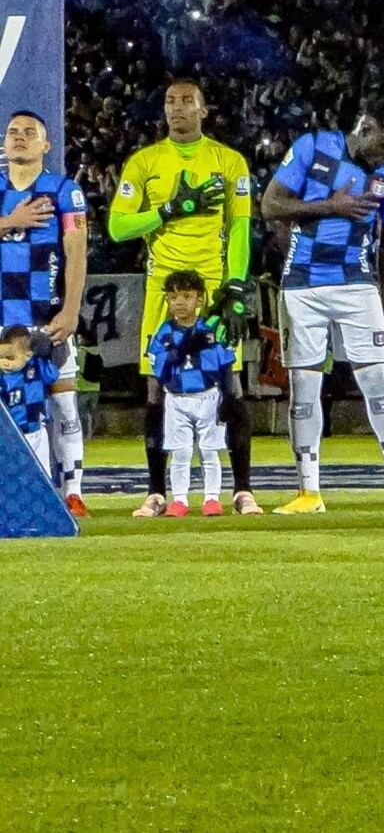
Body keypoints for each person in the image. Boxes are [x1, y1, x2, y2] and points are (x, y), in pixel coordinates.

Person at [108, 79, 262, 517]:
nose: (177, 109)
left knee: (229, 386)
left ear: (204, 109)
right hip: (164, 293)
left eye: (187, 102)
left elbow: (238, 228)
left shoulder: (229, 162)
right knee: (158, 390)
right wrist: (170, 210)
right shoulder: (145, 162)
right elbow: (118, 228)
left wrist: (236, 285)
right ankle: (157, 492)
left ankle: (241, 491)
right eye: (170, 102)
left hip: (212, 292)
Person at [260, 111, 384, 513]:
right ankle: (309, 492)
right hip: (303, 285)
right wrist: (330, 206)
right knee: (304, 389)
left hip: (357, 284)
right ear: (365, 127)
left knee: (376, 381)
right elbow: (270, 205)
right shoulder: (313, 147)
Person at [0, 111, 90, 516]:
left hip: (47, 318)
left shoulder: (64, 192)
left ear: (46, 145)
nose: (19, 138)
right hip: (2, 320)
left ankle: (73, 492)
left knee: (63, 404)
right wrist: (10, 221)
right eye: (12, 132)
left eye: (29, 133)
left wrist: (71, 310)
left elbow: (76, 251)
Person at [146, 270, 235, 518]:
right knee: (181, 451)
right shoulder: (163, 333)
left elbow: (225, 363)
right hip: (176, 398)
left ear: (200, 299)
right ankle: (180, 500)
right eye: (174, 297)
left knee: (209, 450)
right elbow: (159, 367)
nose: (180, 302)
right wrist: (181, 349)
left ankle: (212, 499)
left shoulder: (211, 331)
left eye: (187, 296)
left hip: (208, 396)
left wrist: (228, 398)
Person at [0, 325, 59, 480]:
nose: (4, 363)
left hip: (35, 432)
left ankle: (45, 502)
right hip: (9, 437)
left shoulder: (37, 368)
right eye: (0, 358)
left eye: (10, 358)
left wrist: (44, 355)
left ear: (27, 355)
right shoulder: (2, 379)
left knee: (42, 474)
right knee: (11, 475)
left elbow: (53, 376)